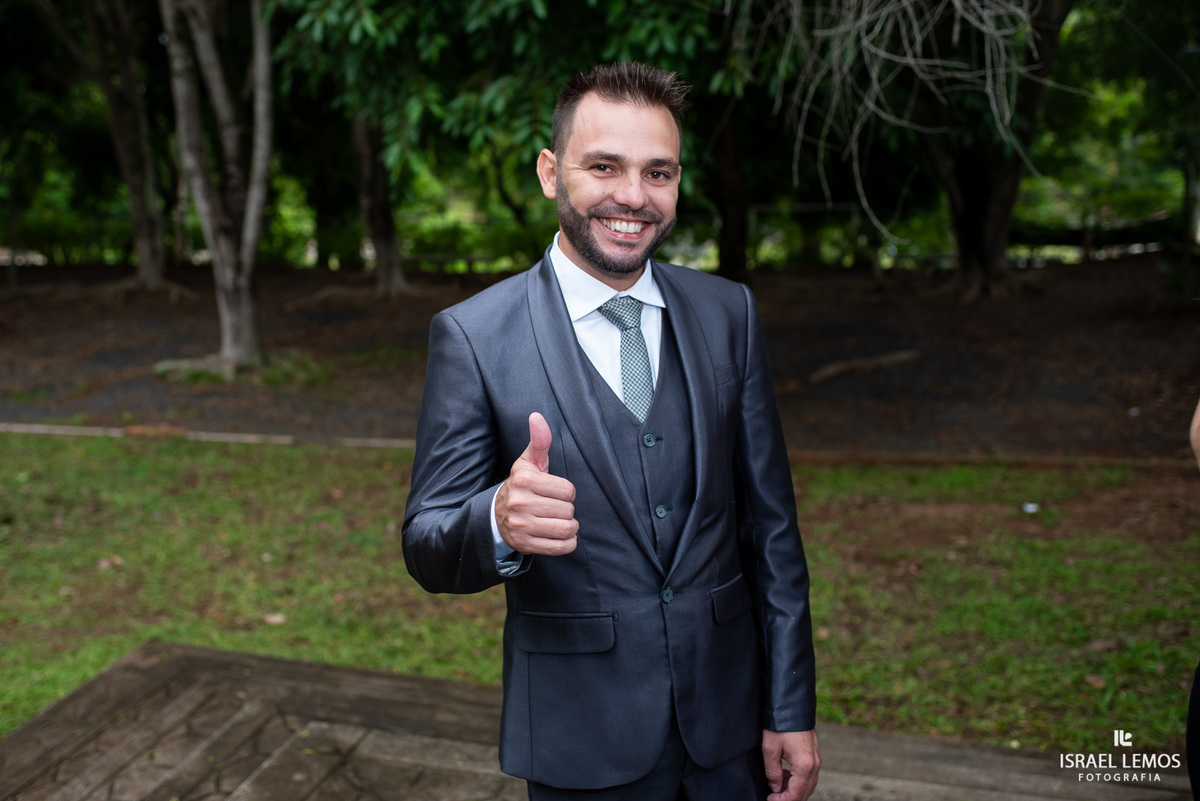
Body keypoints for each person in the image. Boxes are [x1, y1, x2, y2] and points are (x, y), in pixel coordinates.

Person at [402, 62, 820, 801]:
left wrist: (790, 707)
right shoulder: (472, 336)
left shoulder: (731, 315)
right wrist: (496, 519)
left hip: (730, 731)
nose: (633, 195)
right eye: (604, 166)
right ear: (548, 173)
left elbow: (772, 532)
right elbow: (427, 541)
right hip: (580, 741)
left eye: (658, 172)